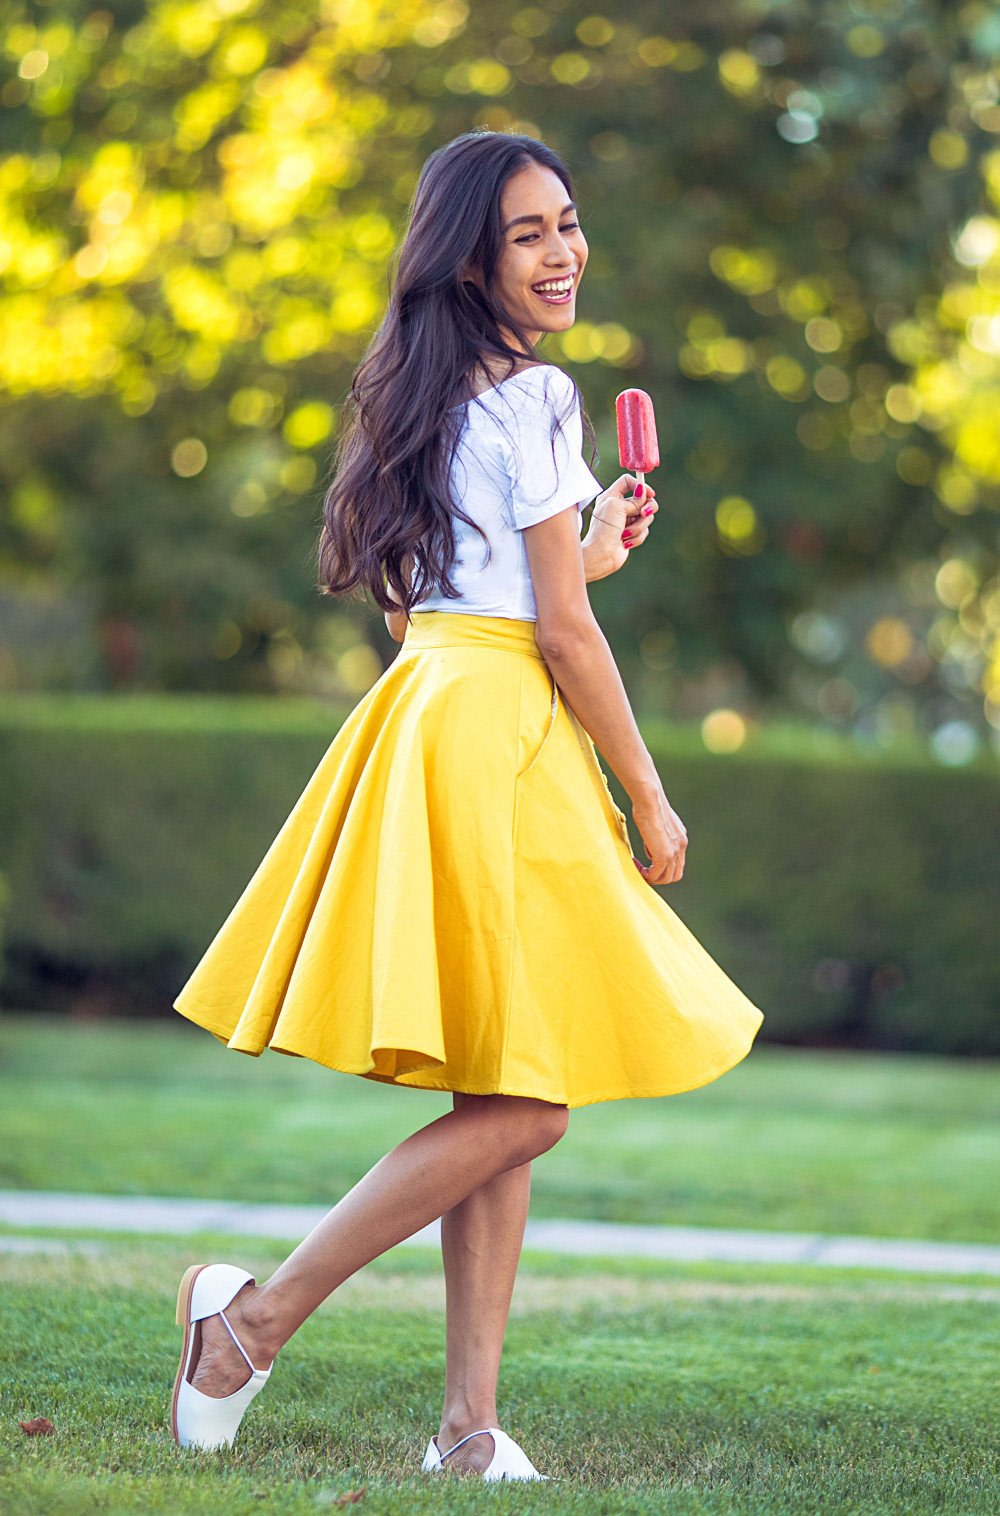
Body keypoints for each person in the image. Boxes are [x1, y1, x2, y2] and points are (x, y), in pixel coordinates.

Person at [169, 130, 764, 1482]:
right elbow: (560, 638)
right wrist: (649, 792)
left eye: (568, 224)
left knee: (514, 1075)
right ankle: (248, 1324)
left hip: (434, 710)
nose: (564, 253)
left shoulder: (421, 395)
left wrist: (588, 552)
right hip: (500, 734)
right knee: (535, 1100)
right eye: (528, 234)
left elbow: (459, 602)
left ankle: (468, 1431)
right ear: (469, 256)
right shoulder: (537, 398)